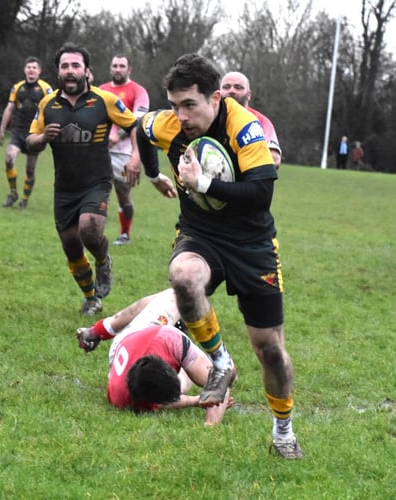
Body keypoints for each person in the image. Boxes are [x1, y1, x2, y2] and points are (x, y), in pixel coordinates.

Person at [137, 54, 302, 459]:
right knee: (183, 275)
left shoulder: (245, 127)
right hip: (201, 234)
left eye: (189, 105)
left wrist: (203, 182)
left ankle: (283, 431)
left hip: (252, 244)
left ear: (214, 98)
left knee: (271, 350)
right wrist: (154, 174)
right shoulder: (170, 123)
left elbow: (262, 195)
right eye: (174, 105)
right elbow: (139, 129)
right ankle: (221, 362)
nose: (180, 115)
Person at [27, 43, 155, 315]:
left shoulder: (104, 100)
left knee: (90, 228)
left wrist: (134, 158)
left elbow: (135, 126)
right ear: (58, 71)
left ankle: (102, 259)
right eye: (65, 66)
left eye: (76, 66)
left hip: (96, 182)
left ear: (87, 70)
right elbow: (30, 141)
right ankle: (91, 297)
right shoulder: (47, 104)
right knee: (71, 246)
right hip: (64, 188)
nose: (70, 71)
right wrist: (43, 138)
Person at [75, 288, 234, 424]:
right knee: (221, 375)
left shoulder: (169, 339)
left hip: (136, 337)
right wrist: (198, 404)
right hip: (130, 352)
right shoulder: (123, 396)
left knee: (177, 295)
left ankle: (96, 332)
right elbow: (221, 380)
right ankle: (189, 364)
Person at [98, 54, 150, 245]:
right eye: (115, 65)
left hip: (125, 152)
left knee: (123, 194)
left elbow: (137, 120)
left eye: (122, 66)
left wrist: (116, 136)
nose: (118, 69)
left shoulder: (138, 91)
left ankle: (125, 233)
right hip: (100, 150)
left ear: (129, 69)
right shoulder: (101, 90)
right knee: (96, 191)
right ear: (110, 69)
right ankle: (94, 230)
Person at [0, 56, 53, 208]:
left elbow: (52, 109)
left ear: (39, 71)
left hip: (35, 134)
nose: (31, 70)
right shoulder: (17, 87)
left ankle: (24, 199)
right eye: (29, 67)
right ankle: (13, 193)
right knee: (9, 159)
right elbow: (9, 108)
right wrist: (2, 129)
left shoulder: (45, 88)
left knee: (30, 169)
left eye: (34, 68)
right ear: (24, 70)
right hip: (18, 131)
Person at [219, 71, 282, 168]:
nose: (231, 91)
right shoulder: (208, 118)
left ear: (248, 95)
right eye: (226, 87)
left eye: (238, 87)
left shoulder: (261, 121)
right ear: (218, 93)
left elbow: (274, 158)